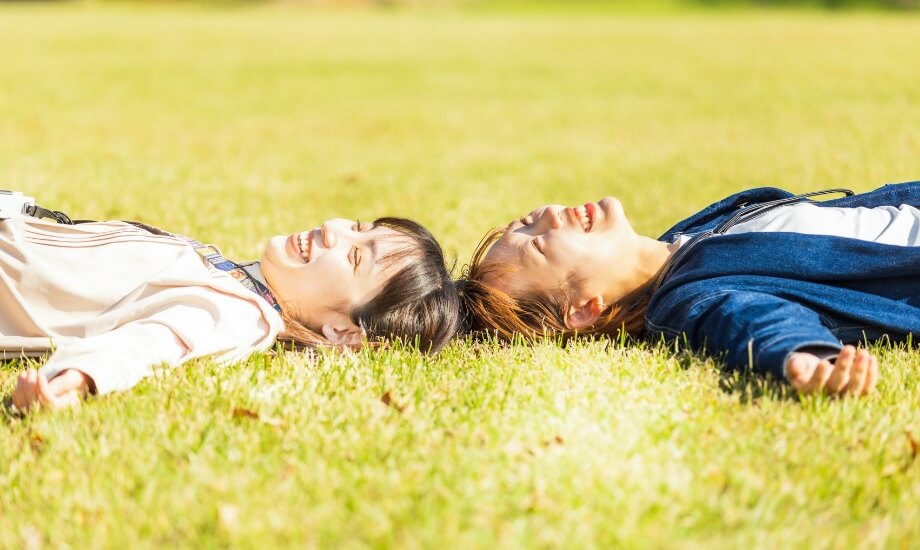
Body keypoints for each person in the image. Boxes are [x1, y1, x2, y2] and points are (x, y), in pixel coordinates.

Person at [459, 181, 920, 397]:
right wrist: (800, 355)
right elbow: (744, 321)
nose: (548, 212)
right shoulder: (690, 297)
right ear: (584, 309)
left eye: (524, 221)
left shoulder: (683, 240)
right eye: (538, 245)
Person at [6, 213, 460, 411]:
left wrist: (81, 378)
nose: (333, 230)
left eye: (356, 256)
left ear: (344, 331)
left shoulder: (240, 313)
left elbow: (157, 341)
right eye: (359, 228)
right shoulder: (243, 280)